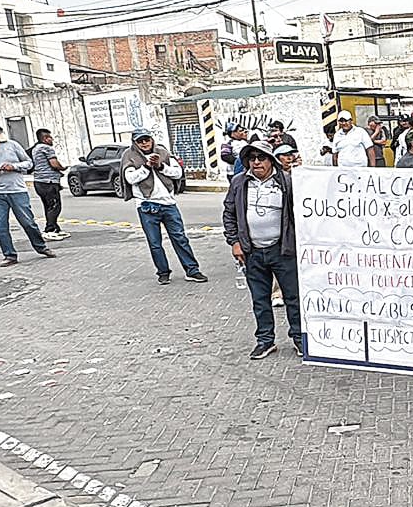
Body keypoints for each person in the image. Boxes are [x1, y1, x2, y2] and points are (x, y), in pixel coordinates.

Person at [223, 142, 303, 359]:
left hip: (282, 250)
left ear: (271, 160)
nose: (256, 162)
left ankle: (299, 338)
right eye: (252, 158)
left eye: (261, 157)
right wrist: (234, 242)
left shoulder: (286, 181)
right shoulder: (239, 182)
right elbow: (229, 213)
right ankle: (265, 341)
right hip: (253, 252)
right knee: (260, 299)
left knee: (293, 297)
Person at [122, 128, 205, 285]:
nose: (144, 143)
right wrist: (146, 166)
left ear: (152, 139)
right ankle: (163, 272)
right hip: (146, 205)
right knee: (155, 243)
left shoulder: (163, 152)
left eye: (147, 139)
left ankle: (192, 270)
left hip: (168, 203)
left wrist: (160, 166)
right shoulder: (129, 156)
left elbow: (177, 173)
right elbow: (130, 178)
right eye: (140, 141)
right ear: (135, 143)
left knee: (180, 238)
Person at [0, 120, 55, 267]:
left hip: (17, 190)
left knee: (28, 222)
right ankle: (9, 255)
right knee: (0, 226)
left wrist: (13, 167)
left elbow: (28, 163)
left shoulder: (12, 145)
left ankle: (41, 247)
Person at [31, 128, 68, 240]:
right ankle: (50, 230)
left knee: (48, 206)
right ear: (45, 139)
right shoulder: (47, 148)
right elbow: (54, 163)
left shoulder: (35, 148)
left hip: (39, 181)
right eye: (50, 137)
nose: (52, 139)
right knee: (55, 206)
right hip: (49, 182)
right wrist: (62, 168)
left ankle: (56, 228)